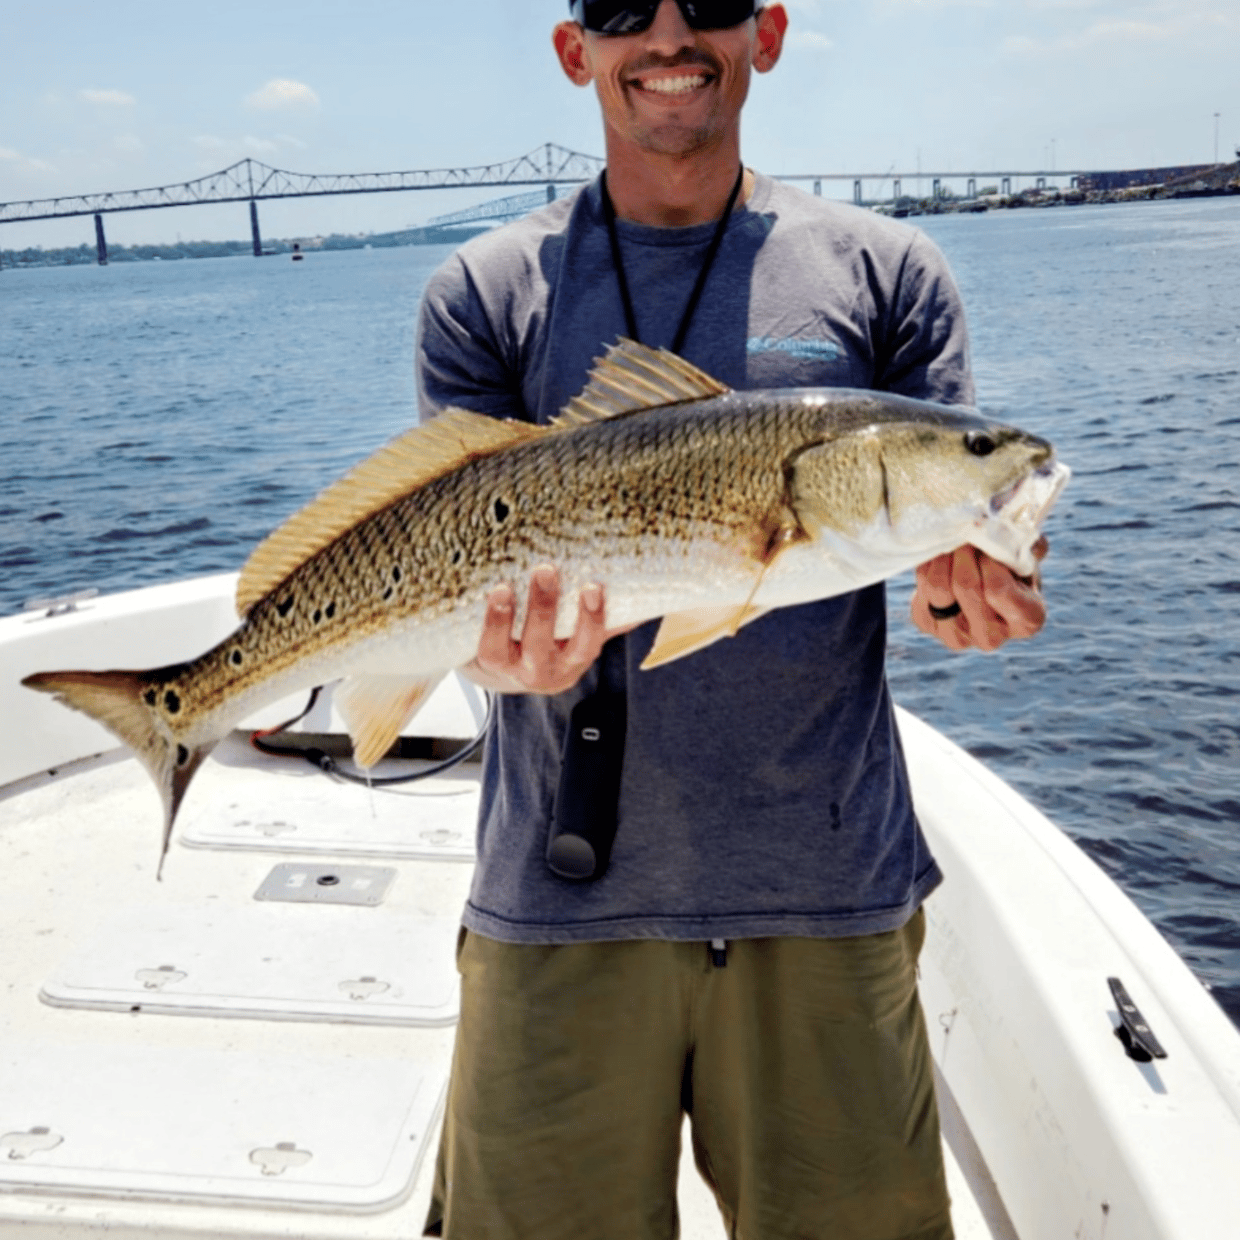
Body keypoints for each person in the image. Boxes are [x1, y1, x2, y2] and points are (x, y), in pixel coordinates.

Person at [415, 3, 1048, 1237]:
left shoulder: (887, 272)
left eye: (704, 2)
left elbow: (948, 565)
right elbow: (444, 543)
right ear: (570, 48)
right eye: (618, 10)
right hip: (559, 894)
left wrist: (972, 598)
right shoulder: (484, 290)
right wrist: (494, 658)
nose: (665, 36)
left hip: (823, 888)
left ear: (765, 31)